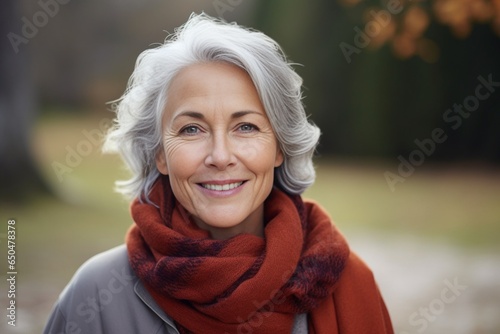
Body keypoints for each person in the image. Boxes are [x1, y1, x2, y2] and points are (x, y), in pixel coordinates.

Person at [43, 13, 393, 334]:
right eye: (191, 130)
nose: (220, 156)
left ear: (280, 147)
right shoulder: (96, 298)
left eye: (246, 127)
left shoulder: (348, 283)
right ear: (159, 153)